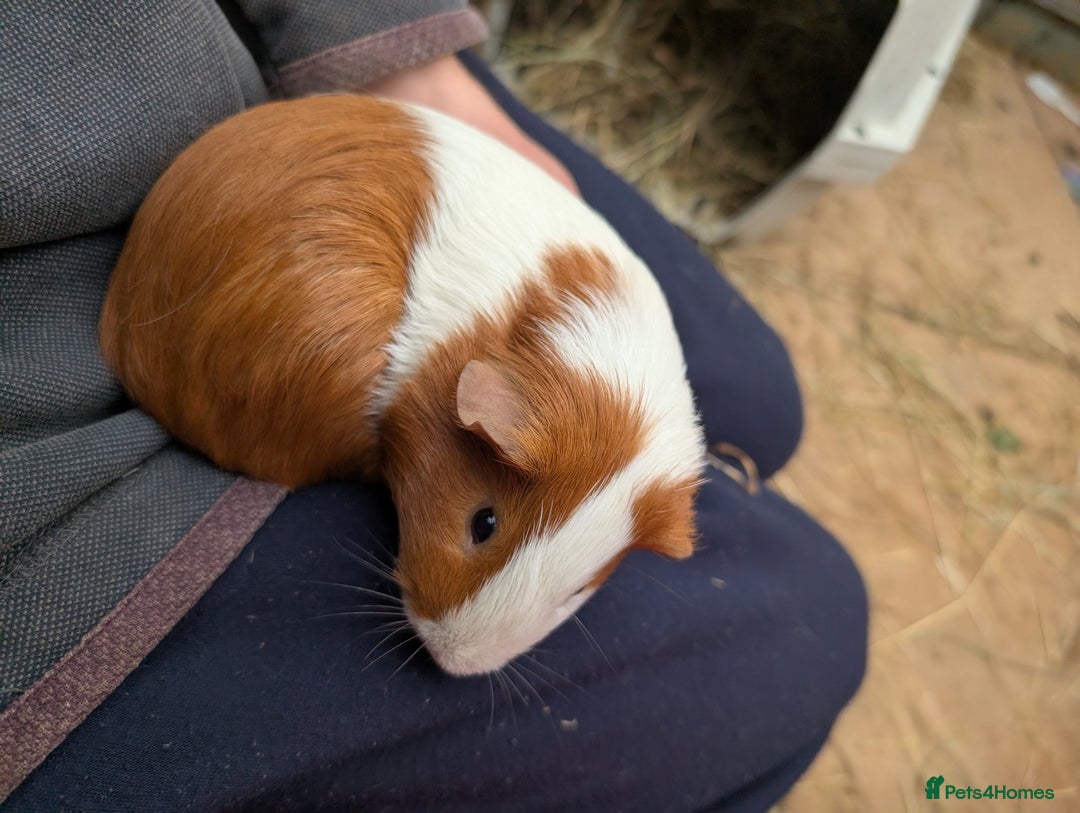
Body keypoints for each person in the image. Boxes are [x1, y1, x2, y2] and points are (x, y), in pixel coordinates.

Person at [0, 2, 867, 809]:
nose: (462, 653)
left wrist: (389, 41)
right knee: (814, 618)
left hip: (237, 122)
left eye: (570, 597)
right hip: (132, 397)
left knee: (760, 396)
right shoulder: (456, 385)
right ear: (485, 419)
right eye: (482, 523)